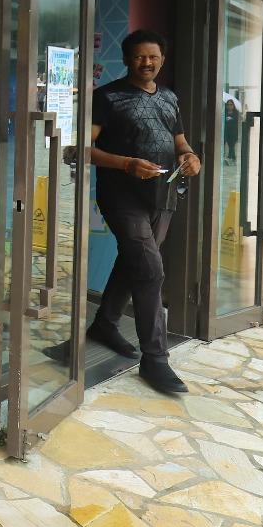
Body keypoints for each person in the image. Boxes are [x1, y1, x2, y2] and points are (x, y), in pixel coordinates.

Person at [87, 29, 201, 395]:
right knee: (150, 269)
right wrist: (126, 164)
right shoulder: (107, 97)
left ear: (162, 60)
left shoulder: (169, 97)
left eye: (153, 56)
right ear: (126, 59)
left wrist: (190, 157)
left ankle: (105, 324)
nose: (146, 62)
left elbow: (179, 142)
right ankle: (155, 358)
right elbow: (83, 148)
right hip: (122, 196)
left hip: (162, 195)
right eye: (139, 56)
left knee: (134, 260)